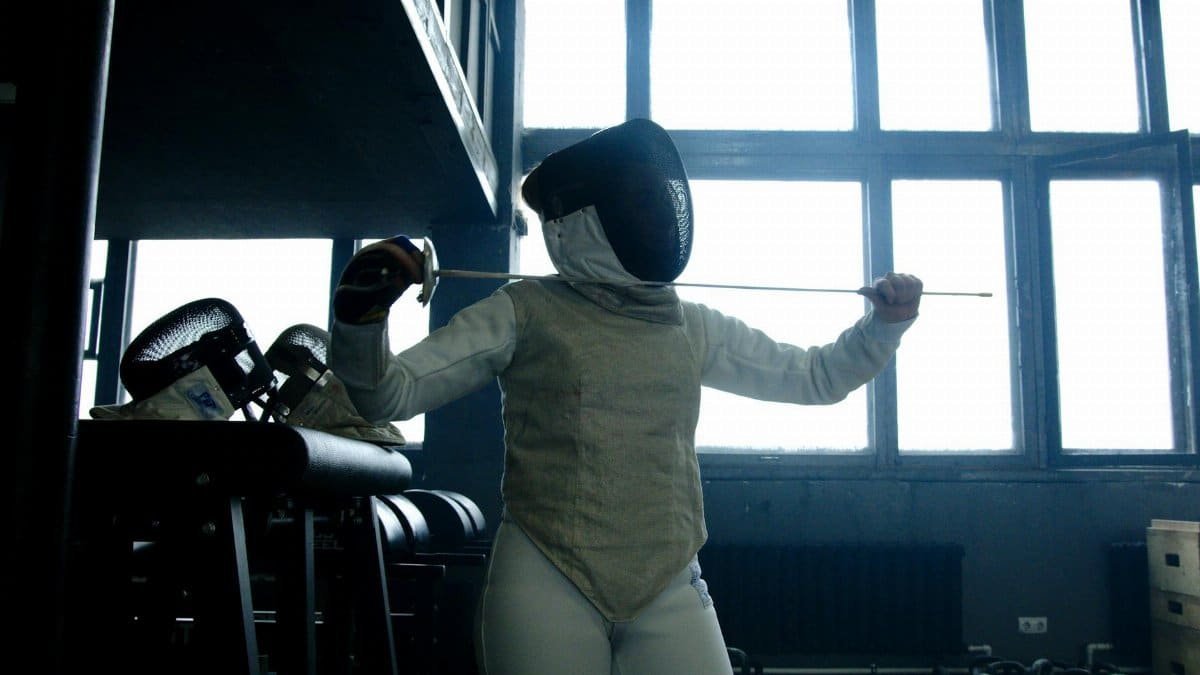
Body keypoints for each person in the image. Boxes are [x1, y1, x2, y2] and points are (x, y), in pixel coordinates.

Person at [328, 118, 922, 675]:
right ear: (582, 220)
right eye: (638, 203)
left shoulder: (692, 326)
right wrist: (361, 316)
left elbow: (815, 377)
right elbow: (389, 393)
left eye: (655, 201)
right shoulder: (525, 311)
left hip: (668, 578)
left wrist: (883, 328)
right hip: (546, 573)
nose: (657, 218)